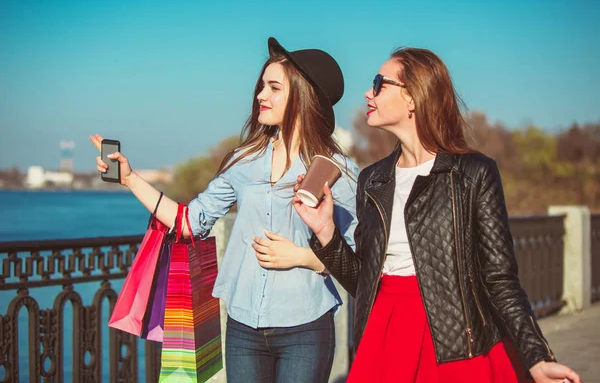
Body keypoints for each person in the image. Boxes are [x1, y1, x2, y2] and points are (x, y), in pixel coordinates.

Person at [294, 47, 581, 383]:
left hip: (456, 342)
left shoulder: (473, 173)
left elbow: (500, 279)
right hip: (384, 337)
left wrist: (537, 356)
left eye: (379, 83)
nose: (367, 93)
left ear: (413, 96)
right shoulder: (373, 179)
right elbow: (364, 282)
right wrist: (325, 230)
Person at [90, 37, 358, 383]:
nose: (261, 95)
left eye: (274, 87)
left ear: (302, 96)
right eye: (262, 86)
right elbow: (191, 222)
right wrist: (129, 179)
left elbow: (357, 258)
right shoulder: (242, 161)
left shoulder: (338, 169)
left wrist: (303, 256)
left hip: (305, 327)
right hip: (242, 328)